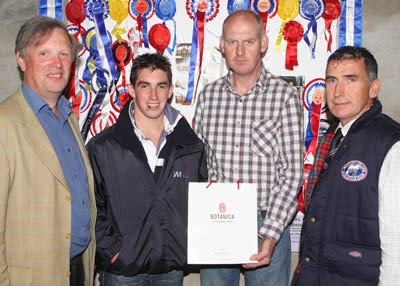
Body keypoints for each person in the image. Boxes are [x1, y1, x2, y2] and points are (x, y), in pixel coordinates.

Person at [193, 9, 304, 286]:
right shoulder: (208, 96)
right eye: (232, 42)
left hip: (266, 222)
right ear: (222, 45)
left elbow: (291, 174)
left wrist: (270, 234)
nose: (240, 51)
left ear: (263, 43)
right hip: (217, 219)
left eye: (249, 42)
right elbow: (198, 163)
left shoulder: (285, 97)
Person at [87, 53, 207, 286]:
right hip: (122, 270)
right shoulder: (103, 147)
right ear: (132, 89)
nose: (153, 96)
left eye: (160, 86)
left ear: (170, 90)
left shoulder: (191, 146)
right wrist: (112, 251)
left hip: (171, 267)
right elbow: (91, 206)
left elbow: (201, 204)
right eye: (145, 86)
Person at [291, 46, 400, 286]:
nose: (338, 92)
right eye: (331, 81)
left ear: (373, 88)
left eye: (350, 80)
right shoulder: (333, 136)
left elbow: (396, 240)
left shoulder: (391, 144)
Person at [0, 16, 96, 286]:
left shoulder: (69, 119)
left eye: (64, 54)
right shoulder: (4, 123)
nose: (57, 64)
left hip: (78, 270)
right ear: (21, 60)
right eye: (44, 53)